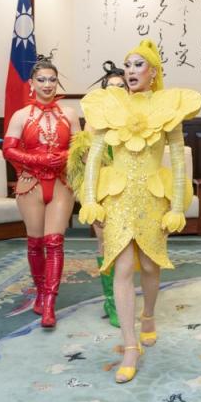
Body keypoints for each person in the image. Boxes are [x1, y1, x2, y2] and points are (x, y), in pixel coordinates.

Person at [78, 39, 201, 383]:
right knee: (123, 265)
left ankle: (148, 314)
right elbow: (94, 156)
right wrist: (90, 199)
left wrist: (178, 206)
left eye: (138, 65)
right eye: (127, 65)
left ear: (153, 72)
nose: (131, 71)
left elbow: (178, 160)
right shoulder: (109, 105)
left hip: (151, 197)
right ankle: (130, 345)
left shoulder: (168, 107)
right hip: (117, 197)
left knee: (148, 264)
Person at [3, 54, 78, 328]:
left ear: (57, 83)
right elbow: (8, 149)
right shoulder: (21, 115)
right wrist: (38, 160)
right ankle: (40, 292)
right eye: (42, 80)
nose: (48, 85)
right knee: (35, 243)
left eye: (52, 80)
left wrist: (66, 156)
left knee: (55, 241)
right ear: (32, 83)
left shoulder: (69, 114)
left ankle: (49, 303)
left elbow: (81, 148)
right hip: (30, 183)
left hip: (61, 183)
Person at [68, 60, 127, 328]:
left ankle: (124, 294)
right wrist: (89, 197)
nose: (115, 90)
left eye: (120, 86)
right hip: (103, 191)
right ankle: (111, 301)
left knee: (128, 247)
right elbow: (85, 161)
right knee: (105, 245)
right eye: (110, 86)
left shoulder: (138, 117)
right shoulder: (94, 121)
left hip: (131, 190)